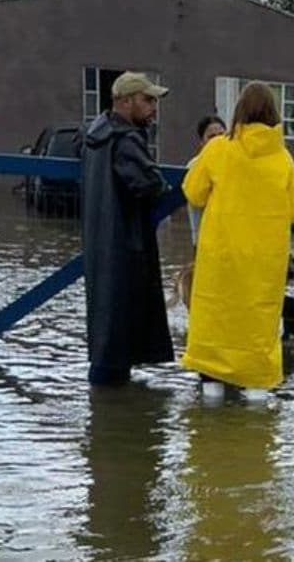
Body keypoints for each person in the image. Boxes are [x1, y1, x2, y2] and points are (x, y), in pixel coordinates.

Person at [181, 82, 294, 399]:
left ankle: (208, 424)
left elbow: (193, 191)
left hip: (220, 258)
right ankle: (254, 426)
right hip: (263, 265)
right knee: (257, 338)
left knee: (215, 330)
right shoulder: (283, 159)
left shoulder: (217, 150)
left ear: (238, 111)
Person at [79, 71, 174, 385]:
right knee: (117, 348)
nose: (154, 108)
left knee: (108, 343)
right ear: (125, 100)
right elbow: (150, 184)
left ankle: (105, 420)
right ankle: (114, 420)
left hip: (100, 245)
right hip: (125, 247)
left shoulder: (96, 134)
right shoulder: (125, 138)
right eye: (148, 100)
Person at [187, 116, 227, 247]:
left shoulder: (236, 164)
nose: (218, 140)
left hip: (232, 243)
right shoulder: (195, 166)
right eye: (212, 136)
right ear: (202, 142)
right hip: (204, 241)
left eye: (221, 134)